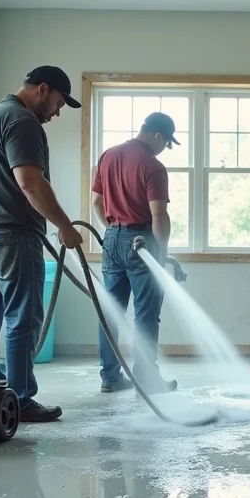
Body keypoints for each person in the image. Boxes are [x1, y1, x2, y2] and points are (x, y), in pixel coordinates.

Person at [0, 65, 84, 422]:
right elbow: (30, 182)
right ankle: (20, 399)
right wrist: (64, 226)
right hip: (10, 235)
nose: (58, 112)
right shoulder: (22, 121)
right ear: (42, 89)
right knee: (23, 319)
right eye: (59, 102)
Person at [89, 112, 180, 395]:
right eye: (166, 143)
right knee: (146, 315)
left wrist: (113, 231)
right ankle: (146, 379)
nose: (164, 148)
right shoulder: (153, 166)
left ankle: (110, 377)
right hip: (141, 241)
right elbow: (159, 217)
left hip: (111, 238)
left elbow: (96, 202)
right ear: (157, 136)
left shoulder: (108, 156)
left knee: (111, 313)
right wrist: (161, 253)